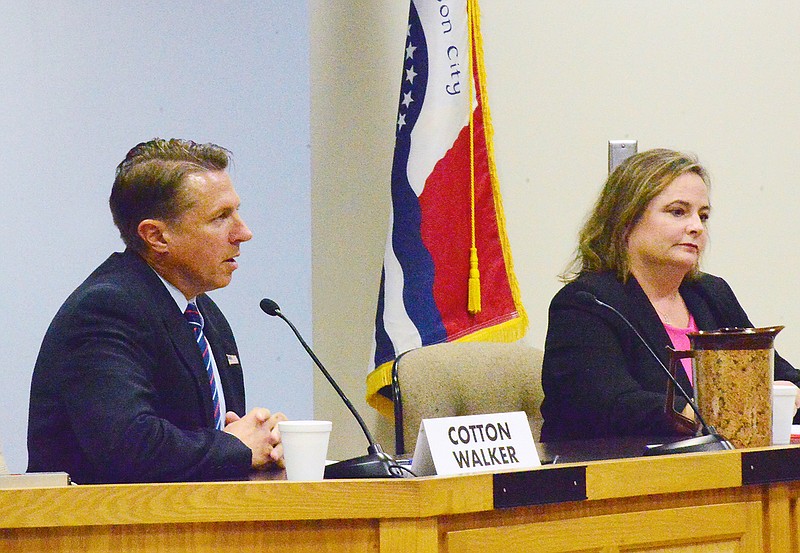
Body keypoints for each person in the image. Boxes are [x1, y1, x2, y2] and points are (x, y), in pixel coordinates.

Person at [27, 138, 286, 483]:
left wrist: (266, 440)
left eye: (237, 211)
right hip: (102, 531)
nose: (243, 232)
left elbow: (218, 438)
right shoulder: (106, 309)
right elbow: (130, 446)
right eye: (221, 217)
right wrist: (235, 447)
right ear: (156, 236)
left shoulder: (204, 314)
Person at [540, 148, 800, 441]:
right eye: (678, 212)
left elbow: (775, 376)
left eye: (703, 216)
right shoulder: (587, 303)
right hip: (623, 475)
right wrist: (697, 413)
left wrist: (789, 393)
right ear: (626, 221)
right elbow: (606, 405)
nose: (696, 227)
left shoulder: (711, 294)